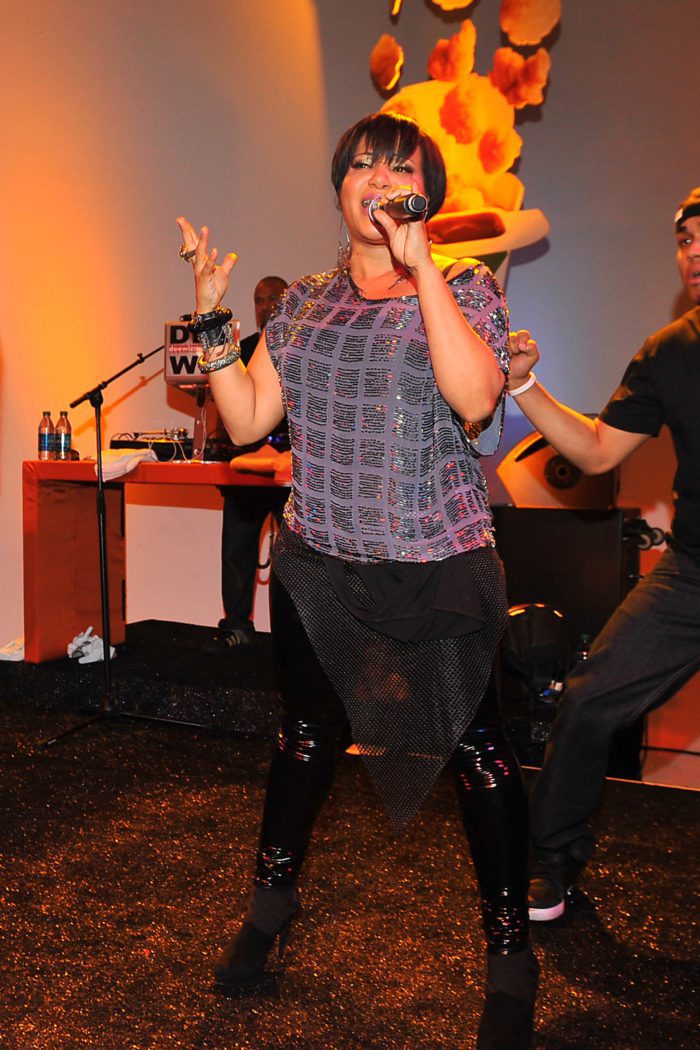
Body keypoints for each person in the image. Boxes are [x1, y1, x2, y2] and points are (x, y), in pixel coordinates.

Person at [177, 112, 538, 1049]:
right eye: (362, 165)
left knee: (480, 755)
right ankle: (270, 904)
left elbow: (476, 399)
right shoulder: (301, 301)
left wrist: (424, 271)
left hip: (437, 562)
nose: (377, 179)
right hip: (320, 564)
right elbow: (249, 420)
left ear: (427, 195)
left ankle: (511, 958)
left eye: (398, 168)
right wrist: (214, 319)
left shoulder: (465, 286)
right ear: (340, 186)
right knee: (305, 737)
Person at [507, 186, 700, 922]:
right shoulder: (670, 351)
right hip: (693, 573)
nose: (694, 251)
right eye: (684, 239)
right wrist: (524, 384)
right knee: (588, 698)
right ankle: (551, 863)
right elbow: (594, 451)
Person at [205, 276, 289, 653]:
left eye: (274, 299)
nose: (265, 306)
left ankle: (292, 635)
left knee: (293, 561)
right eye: (259, 300)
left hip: (291, 474)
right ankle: (236, 627)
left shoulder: (305, 348)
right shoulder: (241, 352)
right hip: (245, 469)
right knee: (236, 551)